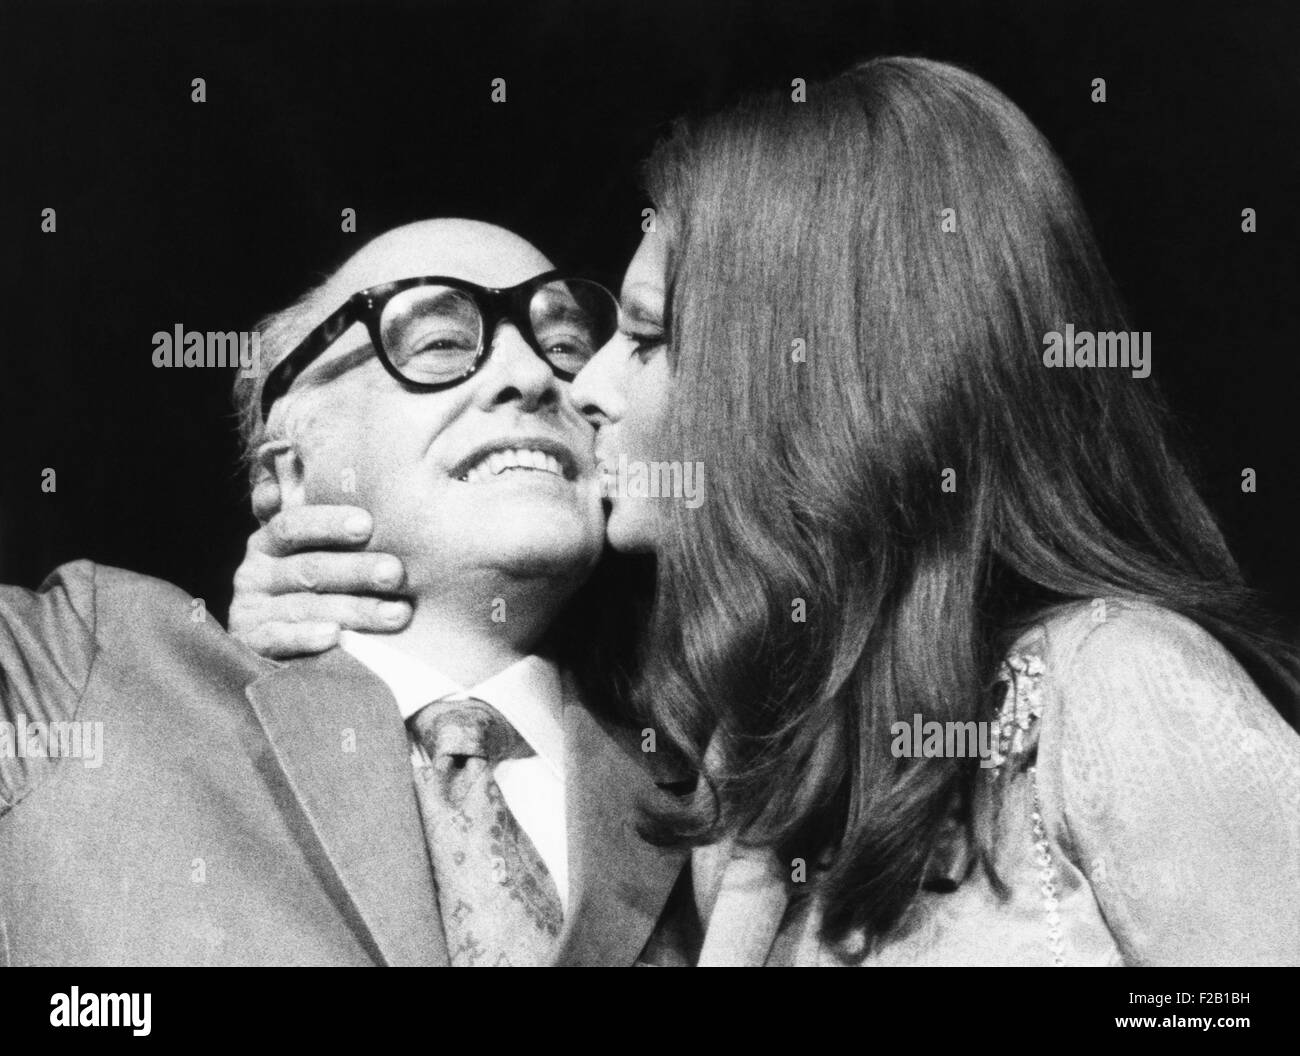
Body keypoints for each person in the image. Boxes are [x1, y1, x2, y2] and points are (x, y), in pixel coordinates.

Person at [229, 60, 1300, 966]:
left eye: (643, 339)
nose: (583, 386)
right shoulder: (742, 767)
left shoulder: (1112, 684)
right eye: (437, 345)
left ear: (805, 382)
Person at [0, 218, 697, 966]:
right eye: (438, 345)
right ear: (290, 472)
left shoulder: (733, 767)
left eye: (564, 348)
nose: (531, 378)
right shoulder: (78, 665)